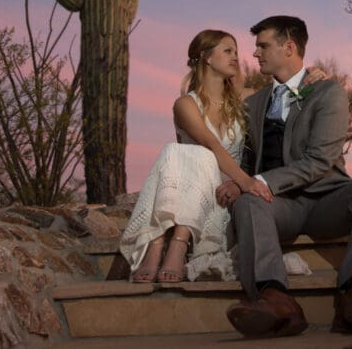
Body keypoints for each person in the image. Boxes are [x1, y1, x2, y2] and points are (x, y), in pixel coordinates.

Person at [217, 15, 352, 338]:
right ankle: (276, 300)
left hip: (327, 199)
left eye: (263, 46)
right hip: (277, 206)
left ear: (289, 47)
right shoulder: (253, 103)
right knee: (247, 203)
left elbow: (320, 159)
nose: (255, 54)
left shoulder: (327, 92)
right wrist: (239, 181)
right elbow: (245, 154)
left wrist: (263, 181)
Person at [118, 29, 325, 283]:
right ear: (206, 57)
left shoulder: (247, 98)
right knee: (182, 152)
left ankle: (165, 244)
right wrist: (247, 180)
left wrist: (312, 78)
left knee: (187, 153)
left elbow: (289, 89)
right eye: (228, 51)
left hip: (226, 194)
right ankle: (165, 243)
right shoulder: (185, 104)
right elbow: (211, 144)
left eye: (236, 52)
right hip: (195, 190)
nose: (236, 57)